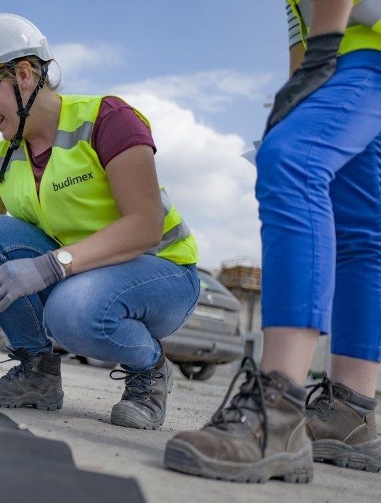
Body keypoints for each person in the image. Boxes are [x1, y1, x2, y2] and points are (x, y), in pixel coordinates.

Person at [0, 13, 200, 431]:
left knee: (71, 311)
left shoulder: (107, 119)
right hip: (84, 271)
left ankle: (149, 370)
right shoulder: (0, 158)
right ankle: (37, 374)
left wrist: (49, 265)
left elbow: (145, 226)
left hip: (162, 273)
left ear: (24, 75)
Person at [165, 0, 380, 482]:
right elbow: (298, 31)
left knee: (292, 161)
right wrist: (299, 86)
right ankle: (351, 411)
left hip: (363, 54)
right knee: (363, 228)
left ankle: (277, 410)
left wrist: (322, 53)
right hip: (354, 51)